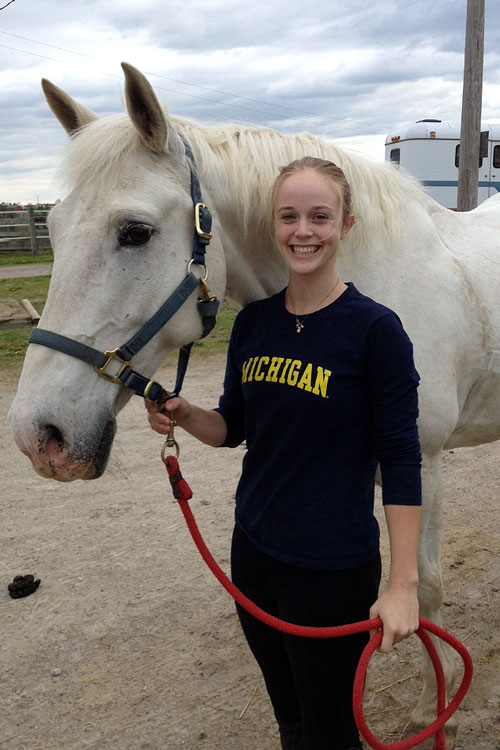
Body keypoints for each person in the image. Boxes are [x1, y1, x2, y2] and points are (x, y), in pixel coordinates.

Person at [145, 156, 422, 750]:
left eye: (319, 216)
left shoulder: (376, 331)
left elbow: (401, 461)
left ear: (346, 223)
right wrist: (188, 416)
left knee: (330, 729)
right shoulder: (254, 325)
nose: (303, 231)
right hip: (254, 553)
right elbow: (235, 429)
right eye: (289, 216)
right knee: (290, 718)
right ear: (273, 225)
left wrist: (403, 584)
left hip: (331, 570)